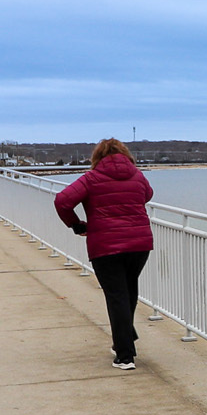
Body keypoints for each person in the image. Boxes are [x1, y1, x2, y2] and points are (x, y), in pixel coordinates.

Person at [55, 137, 155, 369]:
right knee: (128, 292)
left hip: (106, 246)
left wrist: (77, 225)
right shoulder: (138, 176)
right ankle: (125, 338)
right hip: (139, 244)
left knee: (117, 295)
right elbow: (147, 195)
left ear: (97, 157)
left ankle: (125, 355)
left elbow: (62, 201)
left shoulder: (91, 179)